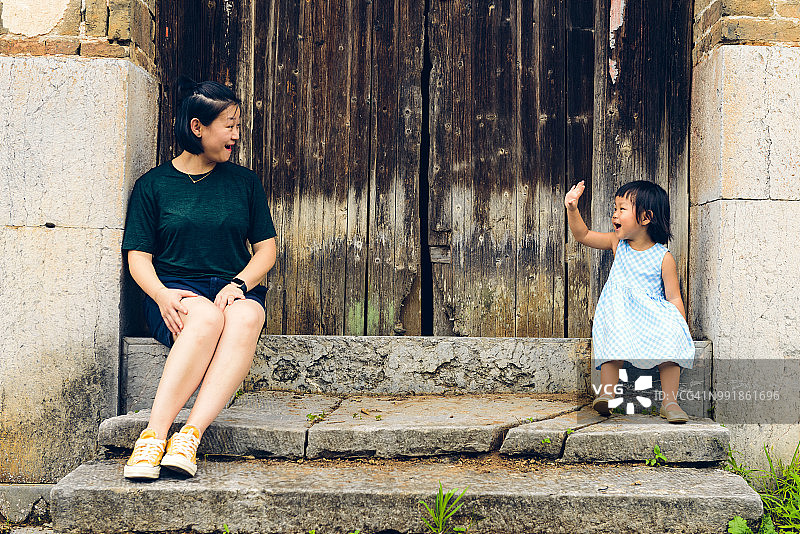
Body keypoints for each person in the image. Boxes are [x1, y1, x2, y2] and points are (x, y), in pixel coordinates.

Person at [120, 77, 277, 478]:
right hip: (175, 295)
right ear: (197, 127)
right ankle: (153, 437)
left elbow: (266, 251)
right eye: (229, 125)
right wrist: (160, 295)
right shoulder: (153, 186)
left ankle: (189, 436)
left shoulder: (245, 183)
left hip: (230, 291)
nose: (236, 135)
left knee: (248, 317)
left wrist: (240, 284)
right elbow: (138, 256)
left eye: (238, 125)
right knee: (205, 317)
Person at [565, 179, 694, 424]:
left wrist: (680, 327)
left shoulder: (663, 257)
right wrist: (572, 208)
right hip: (621, 313)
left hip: (651, 316)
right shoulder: (618, 244)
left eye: (622, 209)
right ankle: (607, 394)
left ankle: (670, 402)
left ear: (645, 218)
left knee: (671, 341)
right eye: (615, 208)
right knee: (613, 340)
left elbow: (673, 296)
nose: (615, 214)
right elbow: (583, 235)